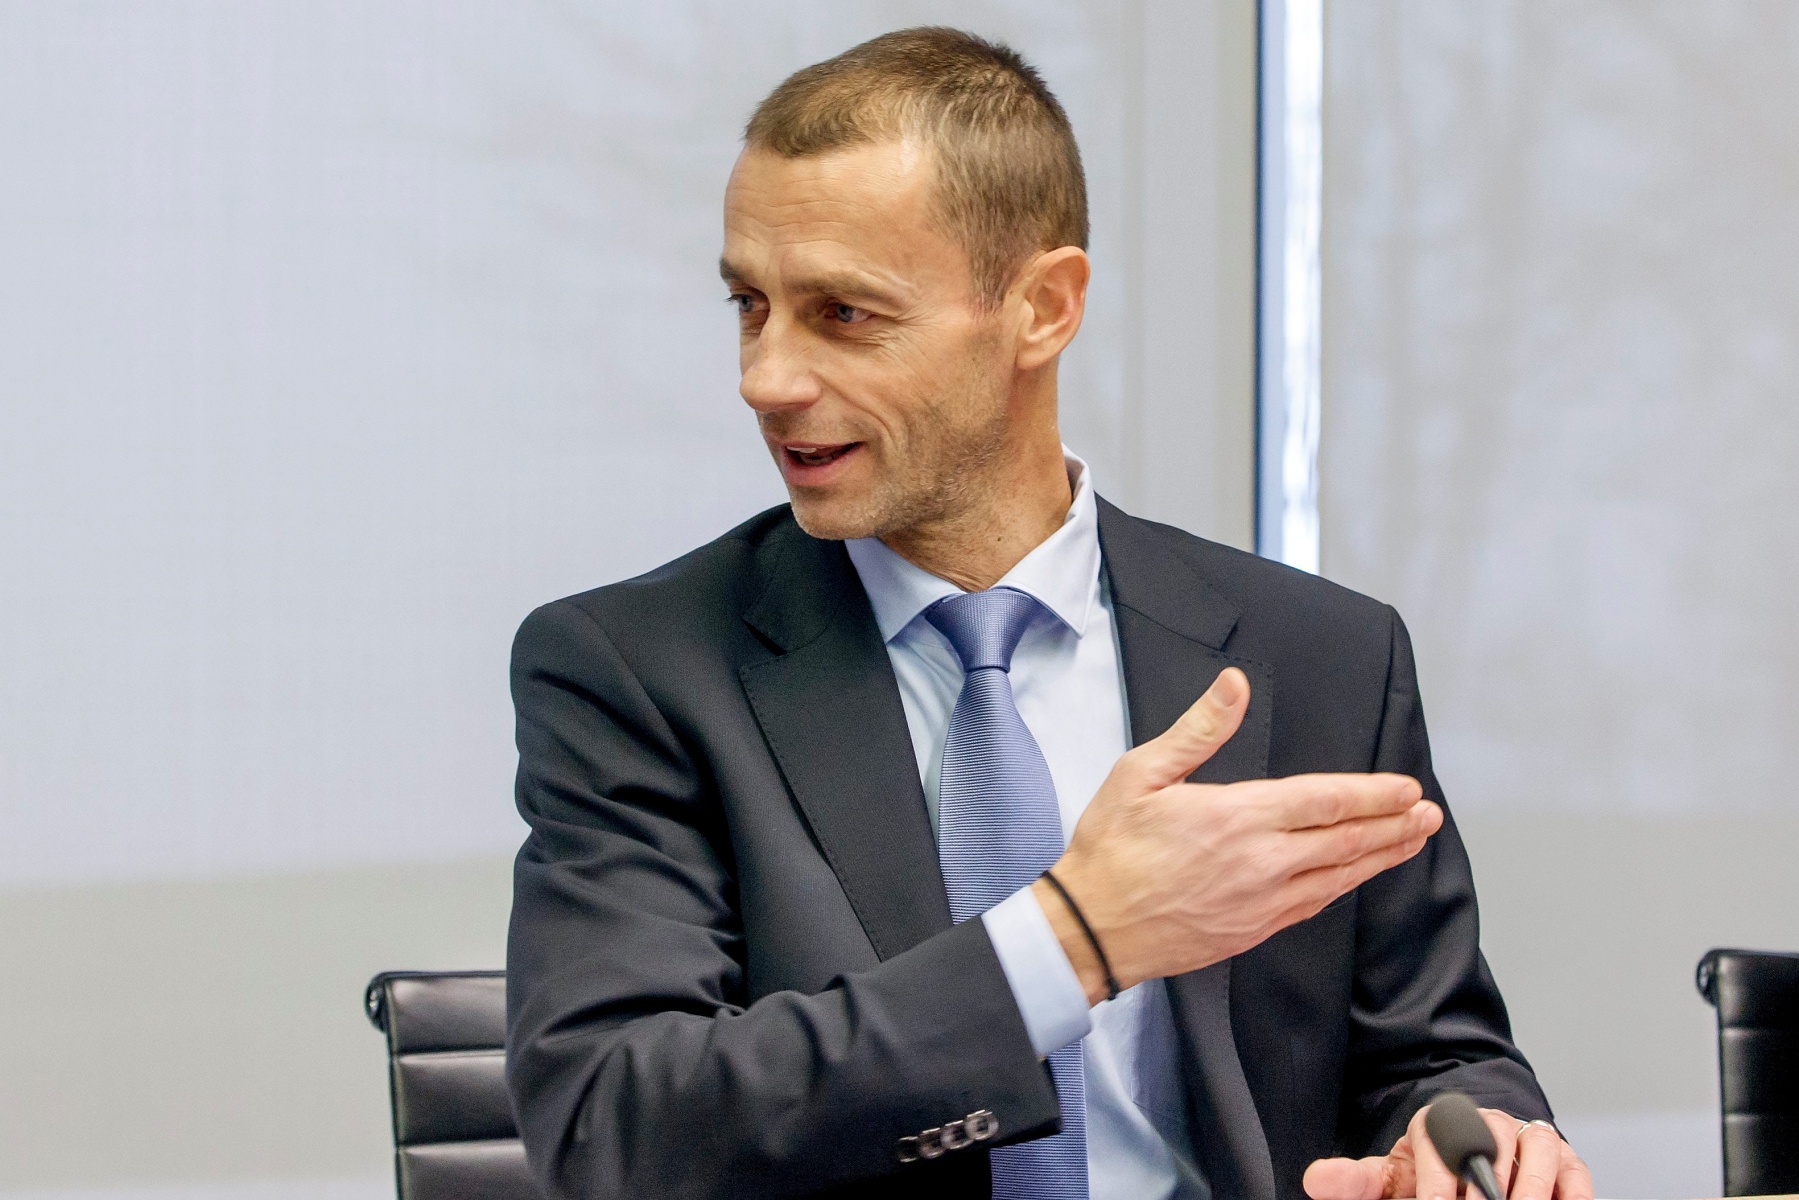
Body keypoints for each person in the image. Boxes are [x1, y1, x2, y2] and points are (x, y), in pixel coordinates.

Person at [503, 26, 1593, 1200]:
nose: (764, 376)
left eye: (843, 315)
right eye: (749, 304)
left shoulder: (1319, 654)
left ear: (1042, 307)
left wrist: (1466, 1139)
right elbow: (615, 1127)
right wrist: (1073, 939)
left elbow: (1432, 1053)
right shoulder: (635, 671)